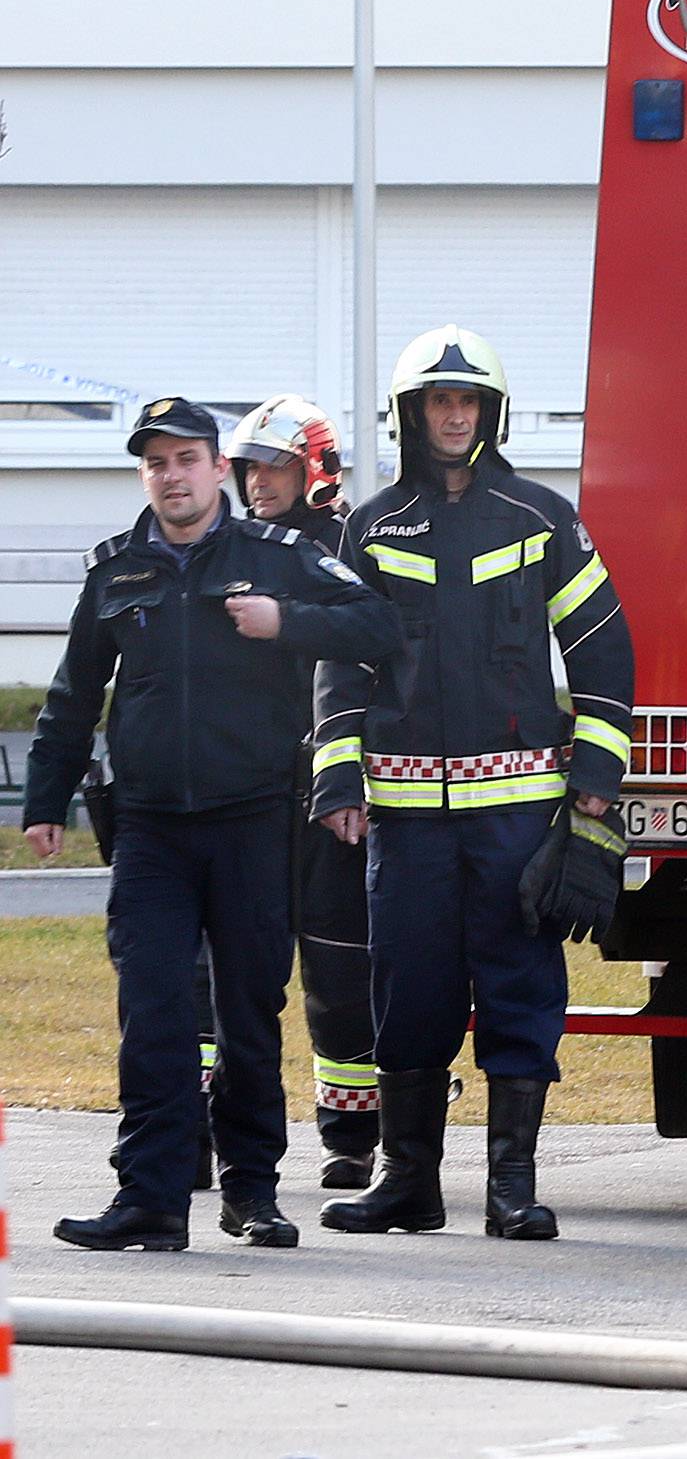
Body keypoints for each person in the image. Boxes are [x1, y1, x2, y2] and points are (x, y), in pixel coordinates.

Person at [22, 398, 402, 1252]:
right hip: (151, 829)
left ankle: (253, 1193)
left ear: (217, 469)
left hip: (252, 822)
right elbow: (73, 695)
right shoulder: (116, 569)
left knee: (247, 1010)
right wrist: (45, 801)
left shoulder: (278, 556)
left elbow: (379, 623)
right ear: (145, 474)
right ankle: (149, 1200)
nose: (172, 475)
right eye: (156, 462)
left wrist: (287, 622)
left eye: (187, 458)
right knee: (154, 1008)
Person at [311, 326, 635, 1241]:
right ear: (411, 414)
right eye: (437, 402)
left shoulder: (540, 518)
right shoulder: (371, 525)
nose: (453, 416)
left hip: (517, 816)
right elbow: (342, 661)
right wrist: (338, 775)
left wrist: (596, 779)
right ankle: (407, 1182)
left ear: (489, 412)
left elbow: (602, 646)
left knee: (520, 987)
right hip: (407, 820)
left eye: (468, 402)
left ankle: (511, 1190)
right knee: (406, 993)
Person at [230, 393, 380, 1188]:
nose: (260, 483)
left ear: (312, 469)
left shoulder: (346, 551)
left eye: (276, 466)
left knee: (337, 967)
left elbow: (367, 651)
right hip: (249, 792)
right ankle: (207, 1126)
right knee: (234, 969)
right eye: (251, 468)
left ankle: (351, 1136)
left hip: (326, 793)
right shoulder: (232, 548)